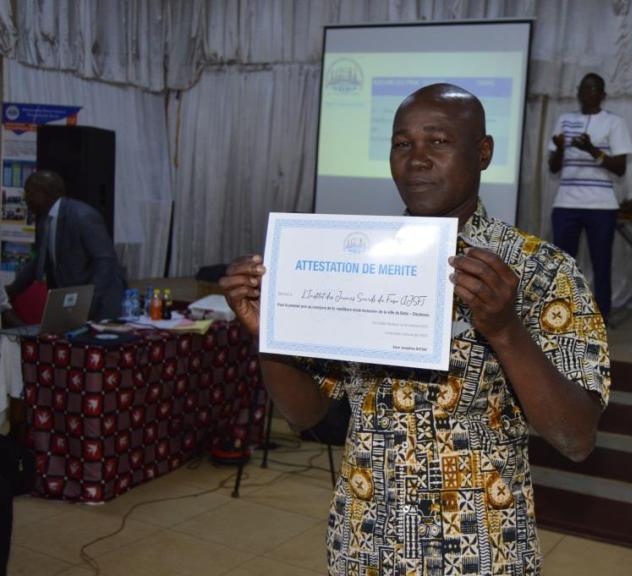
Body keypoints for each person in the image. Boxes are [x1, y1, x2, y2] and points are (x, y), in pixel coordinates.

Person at [221, 83, 610, 575]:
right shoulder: (356, 262)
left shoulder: (541, 271)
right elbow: (308, 414)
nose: (417, 159)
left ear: (483, 152)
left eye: (439, 142)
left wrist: (506, 330)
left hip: (480, 551)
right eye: (403, 144)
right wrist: (267, 336)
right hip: (365, 544)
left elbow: (577, 438)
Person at [549, 73, 632, 320]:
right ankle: (562, 315)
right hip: (566, 204)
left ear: (603, 95)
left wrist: (592, 150)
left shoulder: (614, 123)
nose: (586, 93)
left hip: (601, 206)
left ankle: (600, 317)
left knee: (601, 263)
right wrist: (561, 148)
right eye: (582, 88)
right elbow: (553, 167)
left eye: (592, 88)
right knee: (563, 265)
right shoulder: (564, 120)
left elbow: (620, 167)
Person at [4, 170, 126, 320]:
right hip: (72, 304)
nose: (26, 199)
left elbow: (105, 261)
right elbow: (40, 261)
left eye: (28, 192)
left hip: (100, 305)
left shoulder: (82, 216)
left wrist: (88, 303)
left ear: (43, 192)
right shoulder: (45, 220)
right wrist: (10, 291)